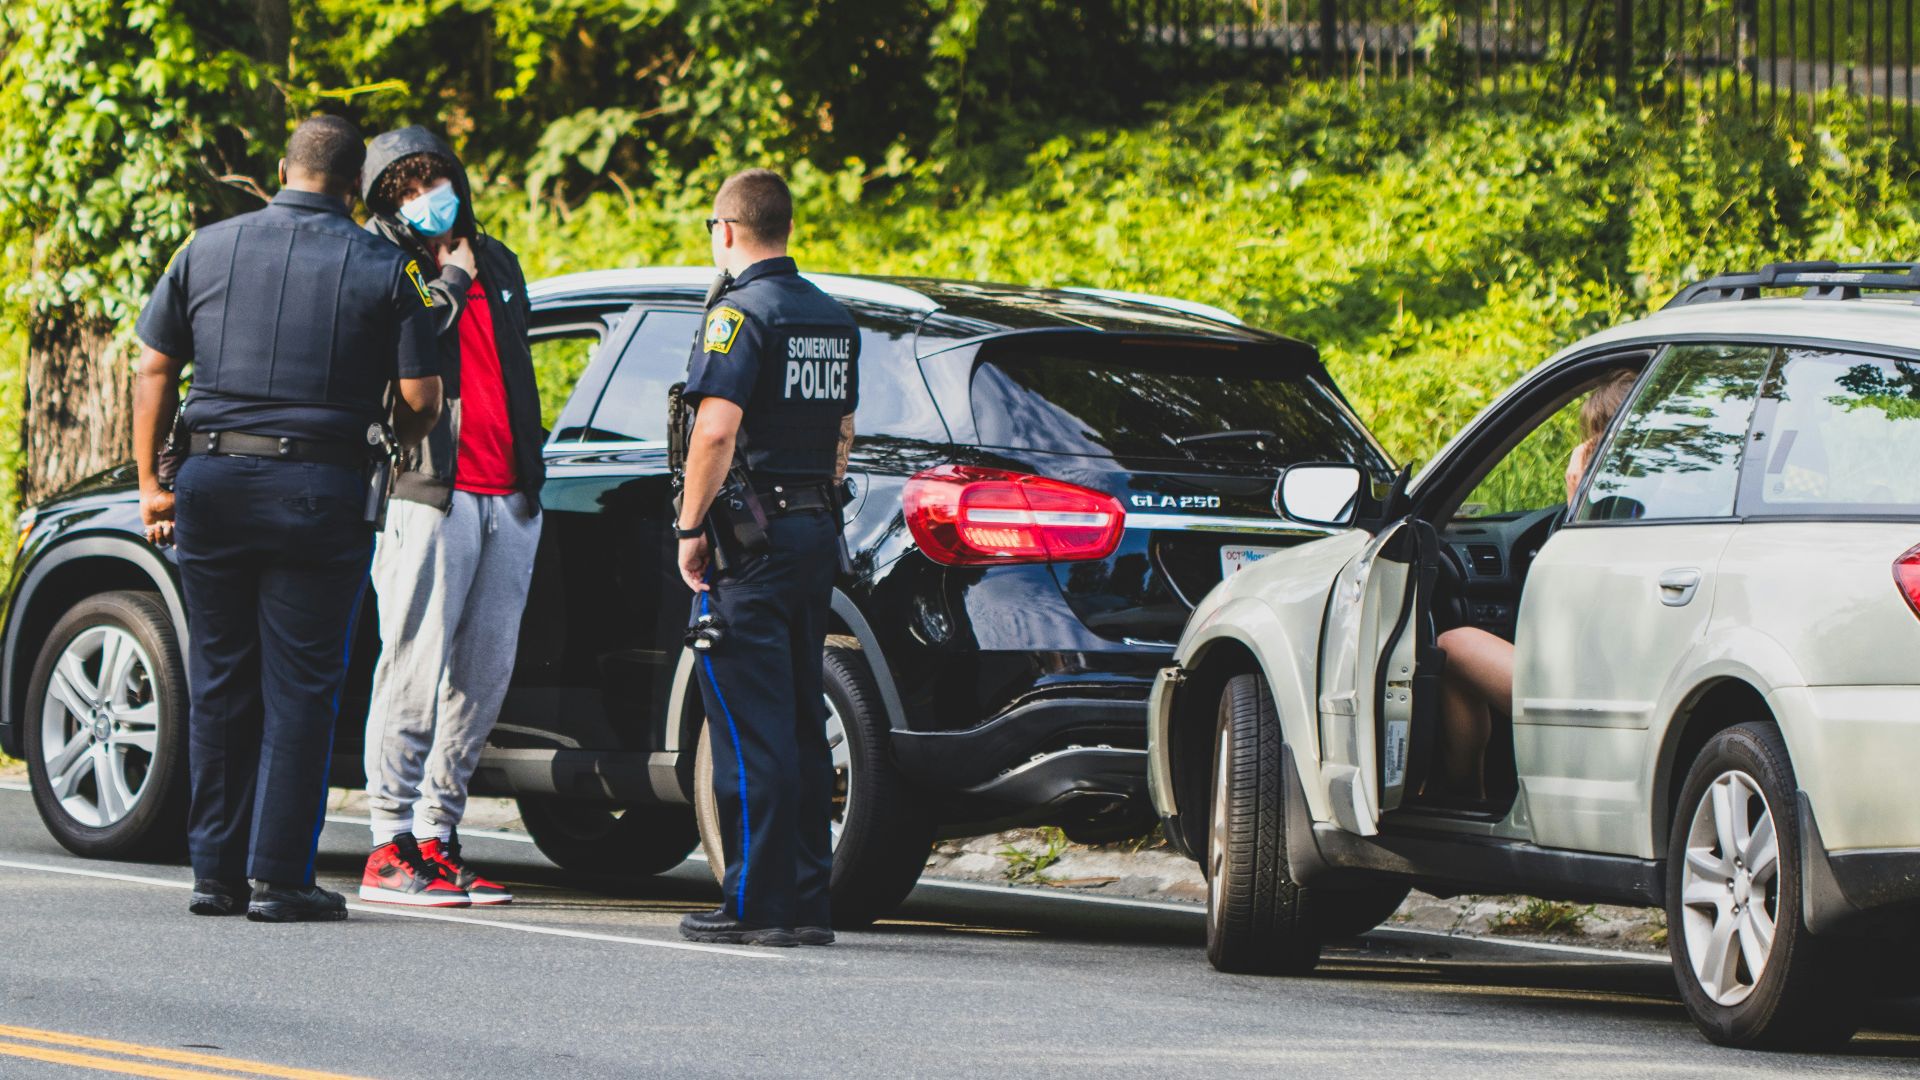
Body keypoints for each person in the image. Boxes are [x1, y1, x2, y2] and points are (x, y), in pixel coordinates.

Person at [131, 114, 442, 922]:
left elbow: (154, 367)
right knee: (301, 684)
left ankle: (214, 874)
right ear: (352, 187)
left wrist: (149, 484)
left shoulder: (204, 249)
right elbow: (421, 400)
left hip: (212, 482)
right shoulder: (387, 265)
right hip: (318, 489)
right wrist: (392, 444)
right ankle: (279, 879)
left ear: (281, 168)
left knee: (222, 676)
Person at [354, 127, 545, 907]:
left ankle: (438, 833)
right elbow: (398, 357)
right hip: (429, 487)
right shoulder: (380, 264)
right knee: (411, 662)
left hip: (509, 491)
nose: (423, 200)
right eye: (403, 190)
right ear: (384, 202)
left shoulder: (496, 259)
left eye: (431, 182)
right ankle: (386, 841)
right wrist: (452, 285)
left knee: (482, 676)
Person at [674, 169, 858, 947]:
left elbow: (714, 431)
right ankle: (808, 903)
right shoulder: (834, 317)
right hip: (815, 530)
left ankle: (755, 904)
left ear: (726, 230)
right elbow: (844, 429)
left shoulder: (738, 316)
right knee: (798, 719)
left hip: (750, 541)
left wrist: (691, 529)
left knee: (749, 725)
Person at [1432, 368, 1638, 798]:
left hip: (1594, 688)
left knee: (1454, 645)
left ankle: (1463, 799)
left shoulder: (1611, 515)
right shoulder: (1674, 501)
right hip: (1621, 682)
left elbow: (1574, 602)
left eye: (1595, 439)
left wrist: (1578, 499)